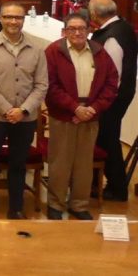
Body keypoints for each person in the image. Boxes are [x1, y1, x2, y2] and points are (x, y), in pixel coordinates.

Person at [0, 2, 48, 220]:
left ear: (24, 20)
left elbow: (41, 85)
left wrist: (23, 110)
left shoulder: (36, 48)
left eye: (18, 17)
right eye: (8, 17)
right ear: (1, 19)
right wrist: (7, 109)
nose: (13, 21)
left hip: (25, 117)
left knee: (18, 163)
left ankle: (16, 208)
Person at [44, 14, 118, 220]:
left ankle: (79, 204)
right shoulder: (53, 51)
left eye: (82, 28)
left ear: (88, 31)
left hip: (91, 115)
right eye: (72, 29)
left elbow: (111, 84)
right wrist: (75, 108)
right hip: (63, 116)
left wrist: (93, 109)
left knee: (84, 164)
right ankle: (56, 204)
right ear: (64, 31)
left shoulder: (99, 52)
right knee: (60, 162)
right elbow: (50, 85)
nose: (77, 32)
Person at [88, 0, 137, 202]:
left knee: (106, 139)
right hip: (120, 94)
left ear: (94, 14)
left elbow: (111, 74)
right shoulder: (123, 27)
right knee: (105, 137)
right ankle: (94, 183)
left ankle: (117, 188)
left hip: (112, 97)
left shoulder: (111, 37)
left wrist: (100, 101)